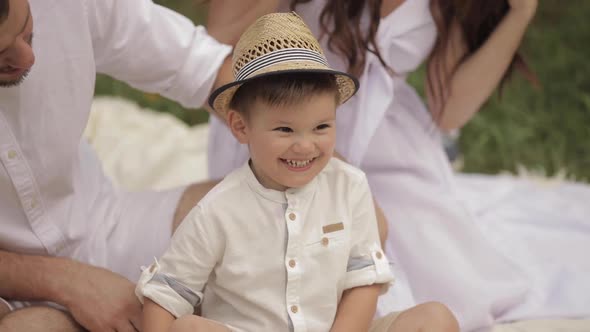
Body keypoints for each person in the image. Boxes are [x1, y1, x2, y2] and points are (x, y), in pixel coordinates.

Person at [205, 0, 590, 331]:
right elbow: (211, 52)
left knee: (451, 275)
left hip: (384, 141)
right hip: (282, 129)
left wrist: (520, 13)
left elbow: (449, 108)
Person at [135, 12, 459, 332]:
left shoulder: (350, 186)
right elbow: (167, 293)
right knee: (188, 328)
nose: (305, 146)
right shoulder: (216, 210)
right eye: (285, 130)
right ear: (240, 126)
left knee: (435, 320)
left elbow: (364, 280)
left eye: (321, 127)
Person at [0, 0, 234, 331]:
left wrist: (287, 129)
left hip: (103, 224)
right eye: (1, 60)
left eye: (30, 32)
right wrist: (64, 282)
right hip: (9, 289)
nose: (28, 58)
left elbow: (199, 66)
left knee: (267, 213)